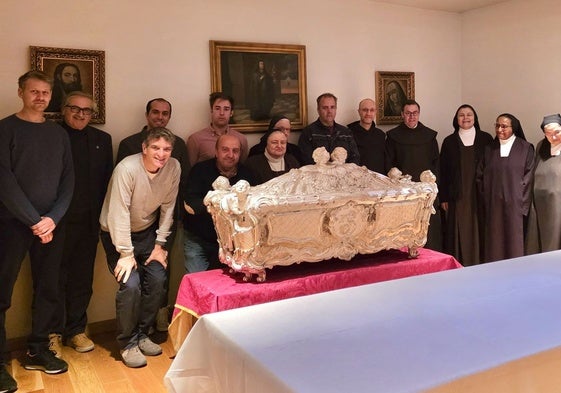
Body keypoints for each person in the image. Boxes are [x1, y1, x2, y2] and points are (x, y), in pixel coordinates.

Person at [0, 71, 73, 390]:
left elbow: (68, 181)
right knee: (2, 292)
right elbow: (4, 181)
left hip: (50, 226)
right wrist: (34, 220)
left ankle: (38, 349)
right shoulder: (5, 129)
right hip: (12, 224)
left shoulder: (58, 134)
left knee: (48, 288)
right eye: (34, 91)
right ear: (21, 93)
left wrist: (52, 219)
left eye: (45, 92)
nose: (41, 97)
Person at [99, 127, 180, 368]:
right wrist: (125, 252)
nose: (161, 154)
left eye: (166, 149)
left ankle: (143, 334)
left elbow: (168, 208)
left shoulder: (174, 167)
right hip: (116, 233)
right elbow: (118, 211)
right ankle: (127, 343)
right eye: (155, 147)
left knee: (157, 280)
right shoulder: (127, 168)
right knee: (131, 285)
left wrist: (159, 244)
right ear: (144, 148)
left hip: (147, 233)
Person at [116, 98, 190, 332]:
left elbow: (180, 184)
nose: (160, 116)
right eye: (156, 112)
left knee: (160, 273)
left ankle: (157, 317)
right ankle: (133, 329)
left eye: (165, 113)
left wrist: (167, 230)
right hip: (130, 222)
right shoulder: (129, 146)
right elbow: (122, 196)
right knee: (133, 280)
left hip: (162, 222)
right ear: (147, 114)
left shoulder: (178, 147)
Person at [49, 92, 113, 356]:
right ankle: (50, 333)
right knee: (51, 279)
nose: (80, 114)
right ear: (63, 110)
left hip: (88, 223)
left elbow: (106, 182)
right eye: (74, 108)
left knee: (81, 279)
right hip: (54, 223)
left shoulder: (102, 140)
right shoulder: (50, 135)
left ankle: (75, 330)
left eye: (86, 110)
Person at [183, 134, 254, 273]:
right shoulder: (199, 170)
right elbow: (190, 204)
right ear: (216, 152)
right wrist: (221, 204)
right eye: (225, 150)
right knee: (199, 281)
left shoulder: (248, 175)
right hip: (199, 239)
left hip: (233, 244)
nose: (230, 155)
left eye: (235, 151)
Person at [475, 113, 534, 262]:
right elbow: (479, 176)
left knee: (514, 243)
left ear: (513, 127)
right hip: (493, 205)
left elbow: (529, 177)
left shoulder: (525, 148)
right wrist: (486, 198)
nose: (500, 129)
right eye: (497, 125)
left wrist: (522, 205)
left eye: (504, 126)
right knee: (494, 243)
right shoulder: (489, 148)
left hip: (515, 206)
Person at [385, 99, 442, 251]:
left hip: (426, 191)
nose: (412, 117)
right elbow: (389, 165)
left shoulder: (429, 136)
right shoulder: (393, 136)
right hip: (403, 193)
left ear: (419, 114)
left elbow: (436, 164)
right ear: (402, 115)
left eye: (415, 113)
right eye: (408, 113)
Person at [439, 104, 493, 266]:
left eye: (469, 114)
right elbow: (443, 171)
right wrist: (444, 197)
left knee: (479, 227)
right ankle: (459, 263)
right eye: (461, 115)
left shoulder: (486, 139)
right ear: (456, 120)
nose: (465, 118)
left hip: (479, 193)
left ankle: (480, 262)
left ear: (475, 118)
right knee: (458, 229)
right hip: (457, 195)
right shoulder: (449, 141)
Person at [526, 114, 561, 253]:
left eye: (557, 132)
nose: (553, 137)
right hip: (540, 202)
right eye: (548, 133)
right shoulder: (541, 146)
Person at [186, 92, 249, 166]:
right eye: (217, 108)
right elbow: (190, 171)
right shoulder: (195, 139)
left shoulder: (241, 139)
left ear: (231, 113)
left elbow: (242, 168)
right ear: (211, 111)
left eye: (226, 109)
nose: (221, 113)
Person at [298, 93, 360, 165]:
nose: (329, 111)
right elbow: (305, 161)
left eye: (332, 107)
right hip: (318, 175)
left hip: (342, 174)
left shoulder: (346, 132)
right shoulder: (308, 132)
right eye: (325, 108)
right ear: (318, 110)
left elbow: (355, 158)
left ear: (336, 109)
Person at [347, 98, 386, 173]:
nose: (368, 113)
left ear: (375, 112)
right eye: (365, 110)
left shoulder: (381, 135)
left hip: (379, 179)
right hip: (357, 179)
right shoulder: (349, 134)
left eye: (372, 110)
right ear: (359, 112)